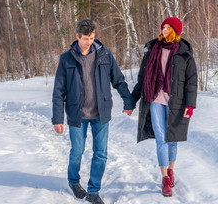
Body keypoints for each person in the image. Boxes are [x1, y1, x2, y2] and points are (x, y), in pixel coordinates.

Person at [52, 19, 135, 204]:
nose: (89, 42)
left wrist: (128, 101)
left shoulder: (104, 55)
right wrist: (57, 119)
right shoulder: (66, 59)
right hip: (77, 114)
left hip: (101, 113)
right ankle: (74, 181)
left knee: (101, 153)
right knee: (77, 151)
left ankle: (93, 191)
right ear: (77, 37)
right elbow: (58, 91)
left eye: (92, 38)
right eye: (86, 38)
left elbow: (118, 80)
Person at [131, 17, 197, 197]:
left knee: (172, 138)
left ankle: (171, 169)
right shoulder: (153, 49)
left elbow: (191, 81)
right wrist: (131, 100)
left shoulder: (184, 53)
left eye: (168, 27)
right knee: (161, 139)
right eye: (163, 26)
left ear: (175, 30)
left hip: (176, 101)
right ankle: (164, 178)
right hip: (155, 98)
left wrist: (190, 104)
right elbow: (143, 77)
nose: (164, 29)